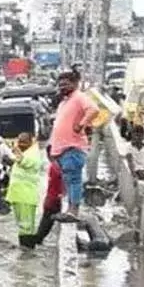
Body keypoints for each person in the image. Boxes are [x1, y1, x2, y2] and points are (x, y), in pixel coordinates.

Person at [48, 70, 99, 221]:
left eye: (66, 84)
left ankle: (73, 211)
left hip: (72, 147)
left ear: (75, 83)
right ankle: (70, 209)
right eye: (60, 84)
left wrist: (81, 124)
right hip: (62, 149)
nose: (62, 87)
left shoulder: (79, 97)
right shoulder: (64, 102)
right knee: (69, 180)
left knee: (74, 179)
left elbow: (94, 109)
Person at [7, 132, 45, 246]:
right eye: (19, 141)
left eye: (23, 142)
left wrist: (17, 151)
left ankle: (27, 250)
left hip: (26, 195)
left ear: (31, 141)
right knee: (22, 225)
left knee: (26, 226)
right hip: (18, 195)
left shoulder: (34, 154)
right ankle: (25, 248)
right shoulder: (27, 152)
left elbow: (25, 162)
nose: (20, 144)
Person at [126, 125, 144, 191]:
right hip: (136, 171)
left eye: (140, 136)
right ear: (133, 136)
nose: (138, 138)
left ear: (143, 136)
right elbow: (130, 162)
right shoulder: (129, 148)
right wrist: (134, 175)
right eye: (136, 135)